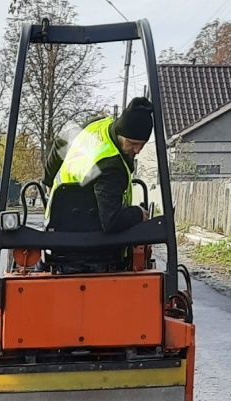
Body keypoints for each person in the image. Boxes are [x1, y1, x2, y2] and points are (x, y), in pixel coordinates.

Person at [42, 97, 153, 272]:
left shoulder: (95, 127)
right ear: (120, 133)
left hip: (58, 230)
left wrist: (47, 183)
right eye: (132, 143)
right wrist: (139, 213)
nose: (137, 150)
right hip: (100, 247)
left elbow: (60, 142)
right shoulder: (112, 166)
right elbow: (111, 222)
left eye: (142, 145)